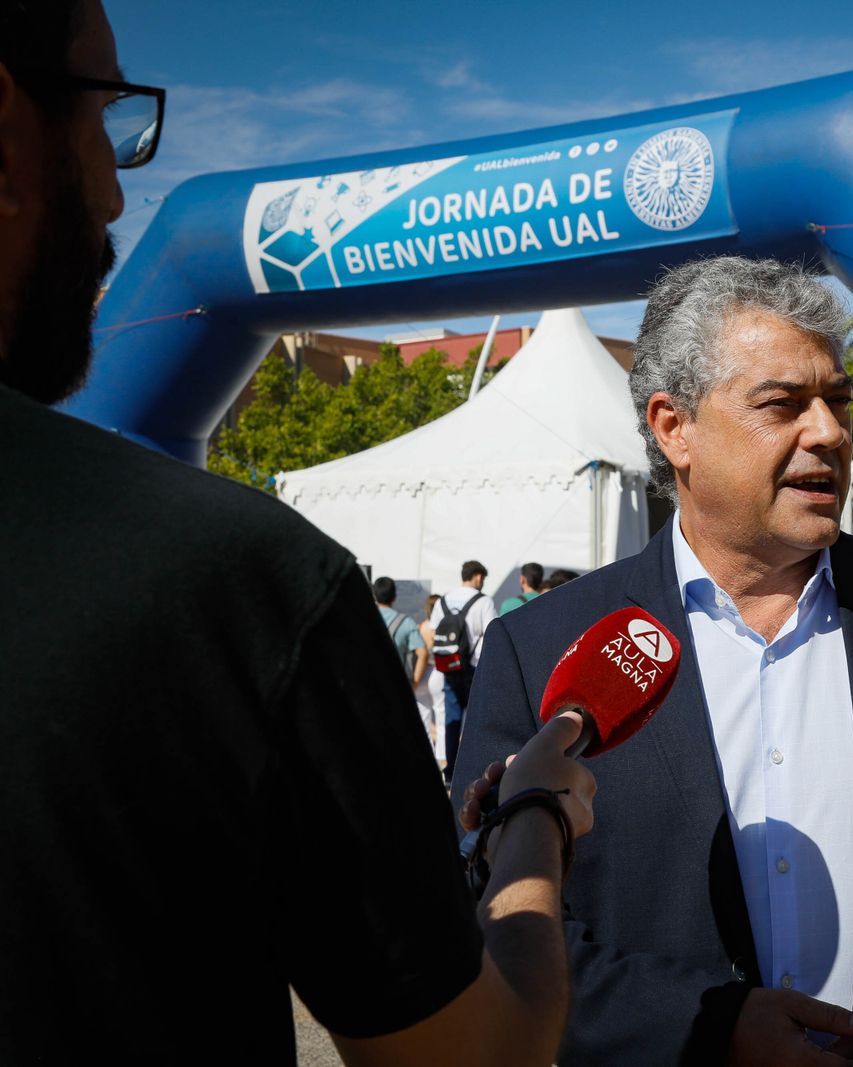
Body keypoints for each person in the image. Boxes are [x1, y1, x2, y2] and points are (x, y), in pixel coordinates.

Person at [0, 3, 595, 1061]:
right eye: (106, 118)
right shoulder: (236, 578)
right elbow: (477, 1054)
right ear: (6, 131)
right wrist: (534, 820)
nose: (114, 187)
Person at [454, 257, 853, 1067]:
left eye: (837, 401)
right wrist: (709, 1027)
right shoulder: (540, 648)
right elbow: (500, 915)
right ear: (672, 426)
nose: (828, 431)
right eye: (783, 404)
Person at [430, 559, 497, 781]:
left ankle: (450, 771)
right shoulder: (483, 601)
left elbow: (433, 632)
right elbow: (492, 632)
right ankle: (475, 770)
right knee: (477, 719)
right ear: (477, 576)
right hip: (475, 668)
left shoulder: (443, 601)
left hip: (449, 668)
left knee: (452, 719)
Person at [374, 575, 428, 689]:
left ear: (375, 595)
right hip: (396, 685)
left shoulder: (361, 619)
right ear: (394, 597)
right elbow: (423, 654)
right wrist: (414, 684)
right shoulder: (406, 622)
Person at [418, 592, 447, 761]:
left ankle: (426, 753)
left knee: (424, 716)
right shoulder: (440, 627)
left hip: (423, 674)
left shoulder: (422, 626)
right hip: (437, 671)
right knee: (441, 715)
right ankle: (442, 754)